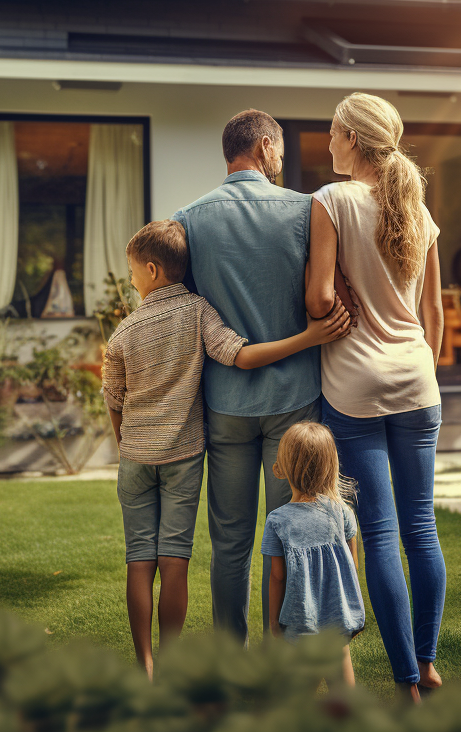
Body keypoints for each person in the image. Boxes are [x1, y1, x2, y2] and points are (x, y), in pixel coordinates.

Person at [102, 219, 350, 678]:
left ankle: (146, 668)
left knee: (140, 561)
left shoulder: (123, 334)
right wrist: (308, 338)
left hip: (135, 458)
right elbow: (240, 354)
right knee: (174, 560)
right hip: (181, 458)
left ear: (153, 270)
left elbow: (112, 399)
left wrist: (128, 445)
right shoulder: (197, 312)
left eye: (133, 271)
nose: (131, 280)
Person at [172, 109, 347, 644]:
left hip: (225, 402)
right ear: (267, 147)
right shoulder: (306, 209)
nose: (282, 161)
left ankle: (231, 652)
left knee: (229, 540)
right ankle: (284, 649)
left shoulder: (187, 220)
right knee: (293, 530)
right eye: (281, 152)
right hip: (294, 397)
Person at [305, 92, 446, 702]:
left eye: (333, 133)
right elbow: (433, 310)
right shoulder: (417, 207)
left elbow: (316, 304)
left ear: (352, 140)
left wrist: (335, 287)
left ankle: (408, 685)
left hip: (354, 387)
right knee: (422, 526)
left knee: (381, 534)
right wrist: (421, 367)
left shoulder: (330, 201)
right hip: (418, 381)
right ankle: (429, 660)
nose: (327, 143)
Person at [262, 421, 365, 684]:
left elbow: (277, 577)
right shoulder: (341, 512)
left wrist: (274, 622)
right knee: (343, 684)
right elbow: (353, 565)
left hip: (301, 618)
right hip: (341, 614)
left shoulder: (278, 520)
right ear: (331, 465)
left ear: (284, 467)